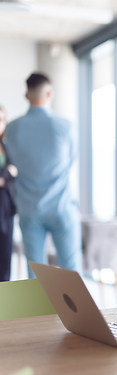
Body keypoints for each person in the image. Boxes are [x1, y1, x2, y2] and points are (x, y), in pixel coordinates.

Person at [6, 73, 81, 279]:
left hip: (29, 209)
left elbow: (11, 161)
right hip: (62, 207)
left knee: (36, 275)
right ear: (49, 93)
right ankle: (77, 313)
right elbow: (71, 159)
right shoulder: (66, 127)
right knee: (71, 272)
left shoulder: (12, 128)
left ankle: (40, 312)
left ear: (26, 95)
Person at [0, 106, 17, 282]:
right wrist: (8, 175)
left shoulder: (7, 146)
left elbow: (15, 171)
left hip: (6, 208)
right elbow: (10, 172)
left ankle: (4, 306)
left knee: (5, 259)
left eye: (2, 119)